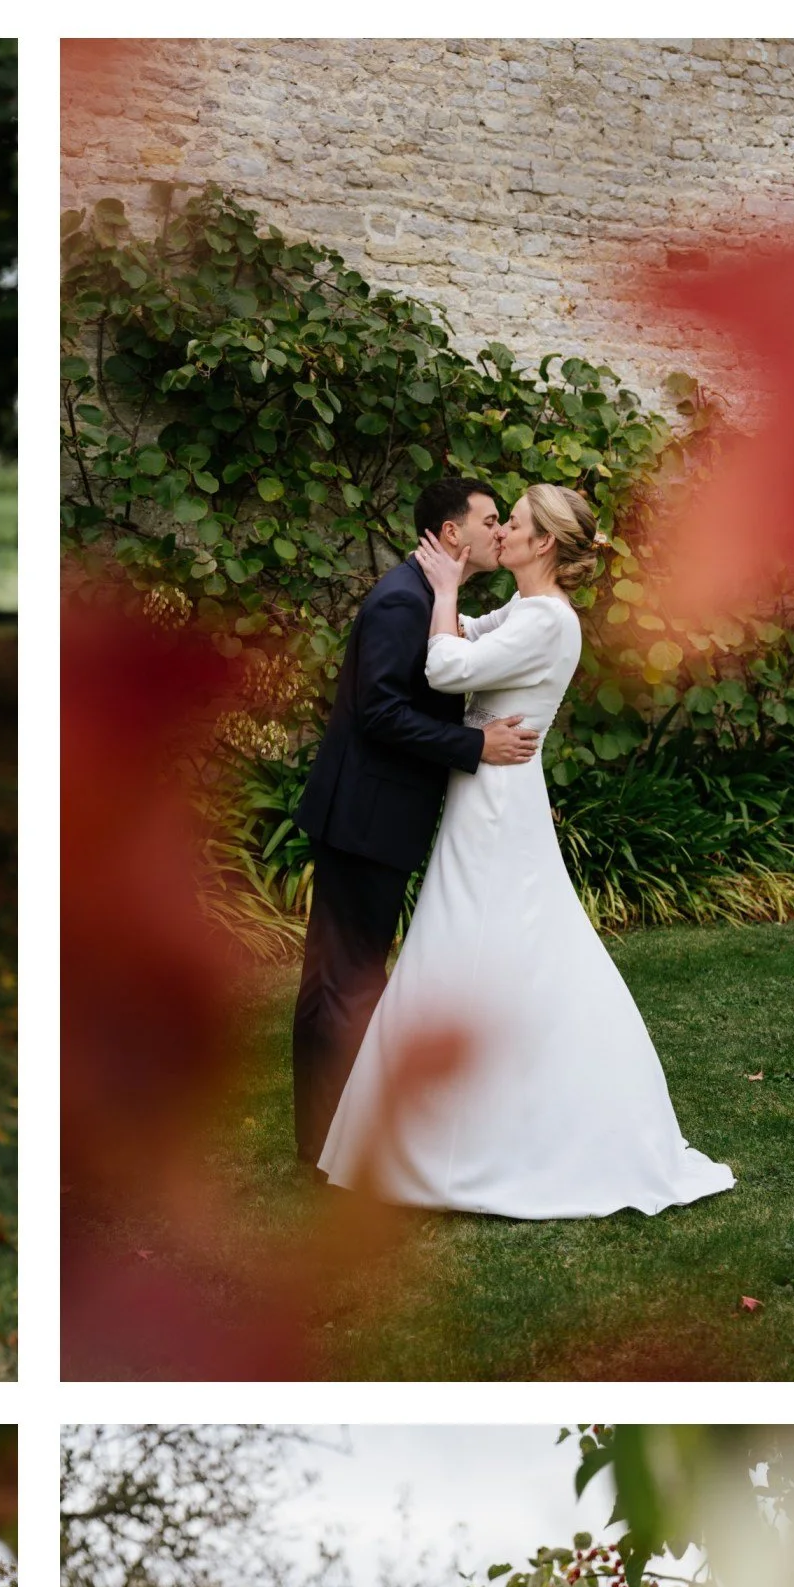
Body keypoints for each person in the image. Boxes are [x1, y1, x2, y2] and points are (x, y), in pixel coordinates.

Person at [318, 485, 736, 1217]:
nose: (502, 532)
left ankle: (462, 1138)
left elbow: (447, 669)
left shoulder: (548, 621)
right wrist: (446, 596)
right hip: (486, 794)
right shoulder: (526, 609)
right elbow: (467, 635)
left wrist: (446, 588)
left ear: (543, 543)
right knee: (478, 943)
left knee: (475, 943)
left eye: (512, 523)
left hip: (496, 803)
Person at [289, 477, 541, 1165]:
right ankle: (337, 1145)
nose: (499, 531)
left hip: (372, 812)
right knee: (347, 980)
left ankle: (326, 1138)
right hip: (365, 814)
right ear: (452, 532)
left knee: (339, 976)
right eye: (490, 520)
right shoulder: (404, 600)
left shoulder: (429, 597)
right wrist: (474, 745)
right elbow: (381, 713)